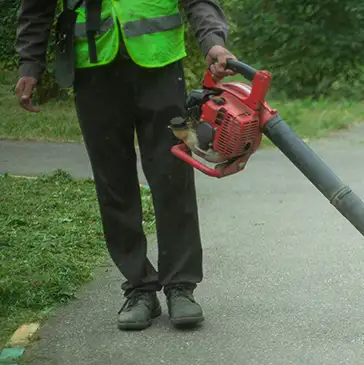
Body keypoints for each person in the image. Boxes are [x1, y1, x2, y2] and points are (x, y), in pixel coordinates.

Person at [14, 0, 234, 331]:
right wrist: (30, 65)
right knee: (113, 181)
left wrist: (213, 40)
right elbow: (36, 6)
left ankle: (180, 287)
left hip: (159, 65)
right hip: (93, 68)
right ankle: (139, 287)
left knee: (172, 174)